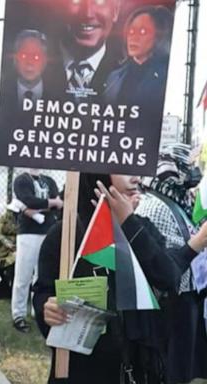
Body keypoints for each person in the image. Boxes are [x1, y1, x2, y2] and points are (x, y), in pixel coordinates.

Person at [33, 172, 207, 383]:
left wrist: (128, 222)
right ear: (98, 175)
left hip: (137, 365)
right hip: (82, 368)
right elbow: (43, 291)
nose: (136, 179)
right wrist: (47, 308)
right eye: (124, 171)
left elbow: (167, 275)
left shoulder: (142, 227)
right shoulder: (64, 234)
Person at [136, 143, 207, 384]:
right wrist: (198, 241)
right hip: (170, 303)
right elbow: (163, 261)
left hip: (186, 296)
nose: (193, 171)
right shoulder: (153, 205)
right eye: (186, 164)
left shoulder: (178, 201)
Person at [12, 168, 63, 332]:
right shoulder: (22, 179)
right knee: (23, 275)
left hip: (47, 229)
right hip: (28, 232)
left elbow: (58, 203)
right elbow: (28, 199)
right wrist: (48, 203)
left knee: (40, 275)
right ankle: (18, 314)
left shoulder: (49, 180)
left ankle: (37, 310)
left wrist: (30, 208)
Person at [104, 6, 173, 118]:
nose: (133, 37)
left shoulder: (168, 77)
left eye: (142, 31)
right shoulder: (114, 78)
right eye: (131, 31)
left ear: (159, 36)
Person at [48, 0, 121, 101]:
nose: (88, 14)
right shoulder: (35, 65)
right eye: (76, 1)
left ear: (115, 11)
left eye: (100, 1)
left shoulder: (130, 72)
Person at [13, 29, 48, 107]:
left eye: (36, 57)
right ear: (15, 59)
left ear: (44, 61)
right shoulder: (0, 93)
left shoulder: (60, 96)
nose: (29, 63)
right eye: (24, 56)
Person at [0, 206, 17, 299]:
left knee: (15, 267)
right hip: (3, 249)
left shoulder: (23, 219)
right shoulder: (4, 219)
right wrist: (8, 243)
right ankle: (4, 291)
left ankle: (14, 292)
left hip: (18, 248)